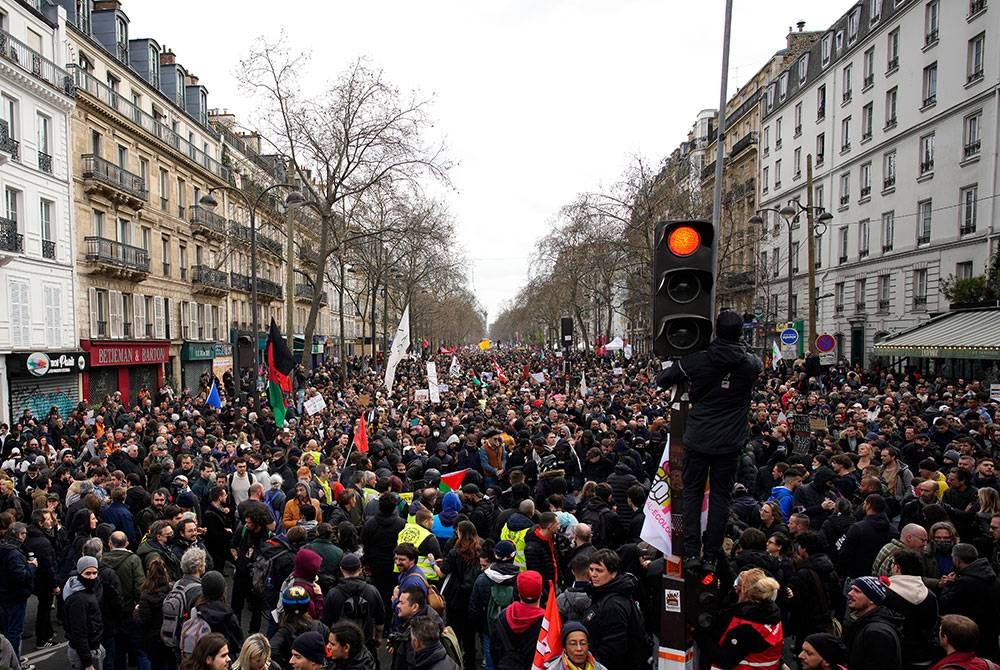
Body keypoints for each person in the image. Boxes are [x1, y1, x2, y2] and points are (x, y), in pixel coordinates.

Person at [656, 310, 763, 571]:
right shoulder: (750, 364)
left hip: (700, 437)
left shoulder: (699, 360)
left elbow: (663, 380)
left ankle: (691, 552)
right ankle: (712, 555)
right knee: (720, 498)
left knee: (692, 495)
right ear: (741, 332)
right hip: (730, 441)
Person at [705, 568, 783, 670]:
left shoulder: (747, 624)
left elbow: (724, 660)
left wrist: (698, 633)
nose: (736, 589)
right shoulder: (771, 614)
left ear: (746, 591)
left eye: (739, 586)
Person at [938, 542, 1000, 661]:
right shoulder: (992, 578)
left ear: (957, 560)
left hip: (968, 638)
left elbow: (945, 604)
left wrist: (949, 585)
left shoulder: (964, 583)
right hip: (990, 636)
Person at [843, 576, 903, 670]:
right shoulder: (866, 623)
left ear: (872, 599)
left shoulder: (877, 633)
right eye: (852, 589)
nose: (850, 593)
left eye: (857, 591)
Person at [490, 570, 545, 670]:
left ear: (518, 592)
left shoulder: (502, 617)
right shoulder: (546, 623)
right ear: (541, 592)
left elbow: (494, 650)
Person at [0, 521, 37, 661]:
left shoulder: (3, 546)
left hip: (4, 593)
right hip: (15, 595)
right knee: (15, 631)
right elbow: (21, 576)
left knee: (7, 628)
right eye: (23, 534)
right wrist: (32, 567)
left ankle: (10, 657)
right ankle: (14, 660)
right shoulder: (14, 553)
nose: (24, 537)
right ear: (18, 534)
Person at [64, 556, 105, 670]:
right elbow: (79, 632)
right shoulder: (79, 600)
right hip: (85, 651)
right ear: (79, 573)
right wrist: (88, 663)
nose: (92, 577)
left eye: (94, 573)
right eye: (87, 573)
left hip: (92, 646)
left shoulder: (86, 591)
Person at [543, 621, 608, 670]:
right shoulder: (554, 668)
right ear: (564, 648)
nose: (579, 649)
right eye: (573, 644)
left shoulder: (599, 668)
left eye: (583, 643)